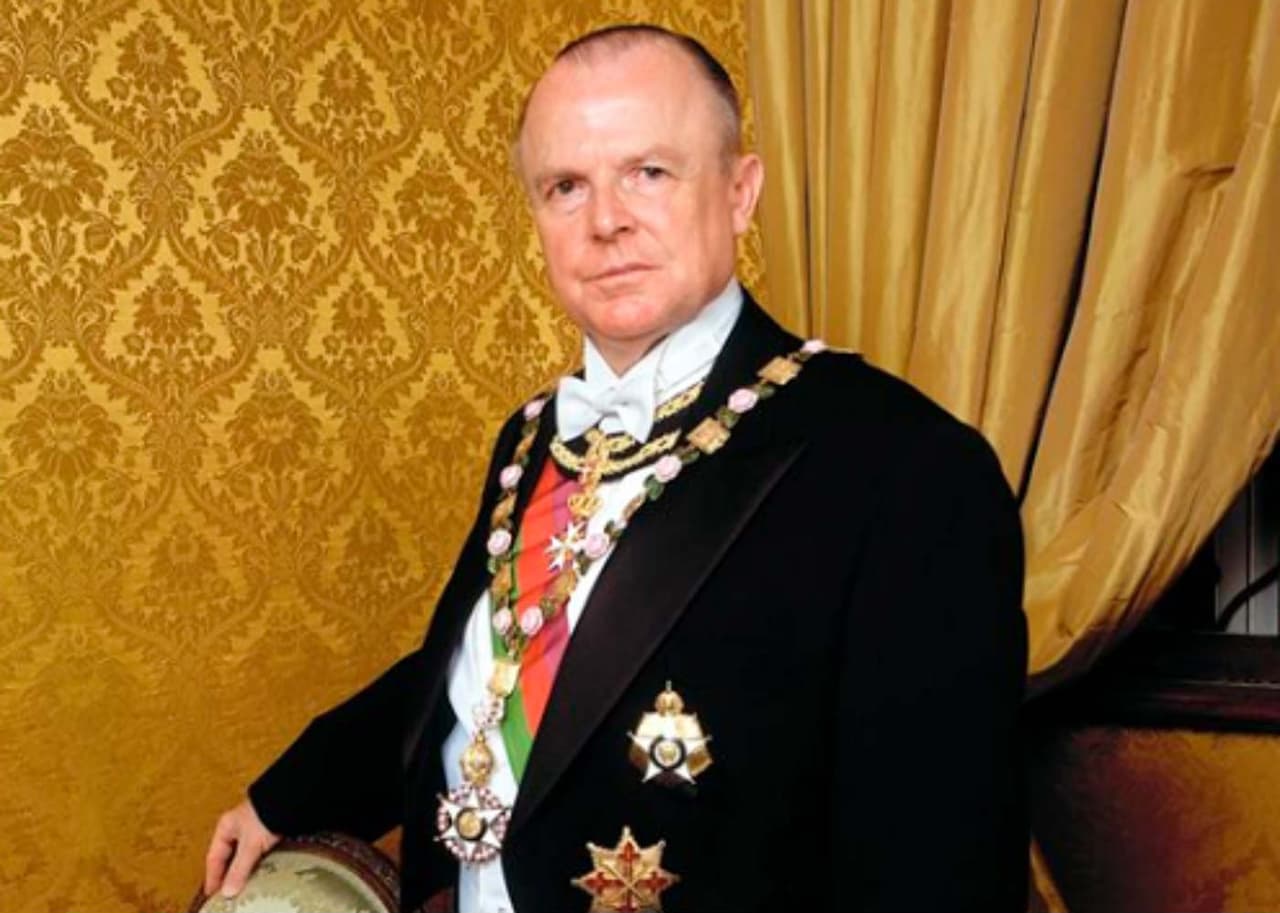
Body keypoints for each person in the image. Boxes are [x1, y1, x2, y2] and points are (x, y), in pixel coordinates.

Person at [204, 24, 1027, 913]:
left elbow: (937, 864)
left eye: (650, 172)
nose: (606, 221)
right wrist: (287, 794)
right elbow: (497, 664)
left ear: (741, 192)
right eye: (567, 186)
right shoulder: (533, 438)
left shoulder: (903, 466)